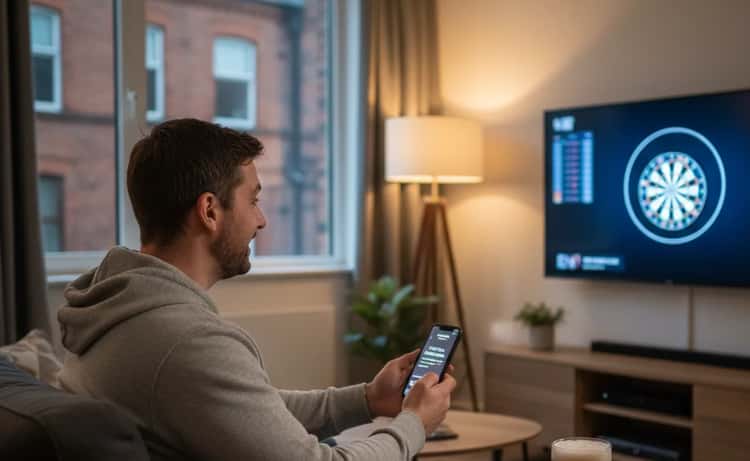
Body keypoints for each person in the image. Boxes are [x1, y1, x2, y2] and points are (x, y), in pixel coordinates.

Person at [57, 118, 456, 460]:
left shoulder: (123, 307)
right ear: (210, 210)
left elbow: (249, 412)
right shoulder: (188, 340)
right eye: (253, 200)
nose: (261, 220)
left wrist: (367, 400)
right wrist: (414, 423)